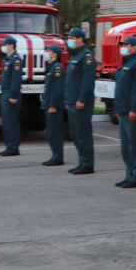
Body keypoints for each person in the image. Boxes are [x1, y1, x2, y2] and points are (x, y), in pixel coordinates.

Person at [109, 33, 136, 188]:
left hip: (132, 111)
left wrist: (134, 109)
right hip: (123, 109)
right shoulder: (125, 64)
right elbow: (121, 89)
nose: (123, 48)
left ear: (134, 47)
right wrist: (118, 109)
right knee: (126, 145)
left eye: (126, 45)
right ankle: (129, 174)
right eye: (123, 45)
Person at [64, 27, 96, 174]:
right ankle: (82, 161)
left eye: (71, 38)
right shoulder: (74, 55)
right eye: (68, 38)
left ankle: (88, 164)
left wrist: (81, 99)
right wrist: (68, 99)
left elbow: (87, 81)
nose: (69, 40)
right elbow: (71, 80)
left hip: (81, 101)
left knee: (83, 133)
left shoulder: (86, 56)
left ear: (80, 39)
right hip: (72, 100)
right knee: (76, 134)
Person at [0, 35, 23, 157]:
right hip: (5, 92)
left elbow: (16, 80)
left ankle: (13, 147)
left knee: (11, 122)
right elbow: (3, 56)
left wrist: (13, 95)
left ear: (11, 45)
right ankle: (9, 146)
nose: (3, 47)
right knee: (6, 122)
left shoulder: (16, 60)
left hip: (10, 94)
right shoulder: (8, 59)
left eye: (5, 45)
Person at [41, 43, 66, 167]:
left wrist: (53, 105)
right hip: (48, 104)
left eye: (48, 51)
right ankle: (54, 155)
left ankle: (58, 157)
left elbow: (57, 89)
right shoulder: (50, 68)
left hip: (54, 106)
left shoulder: (57, 68)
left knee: (55, 132)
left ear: (54, 54)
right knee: (50, 132)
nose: (46, 52)